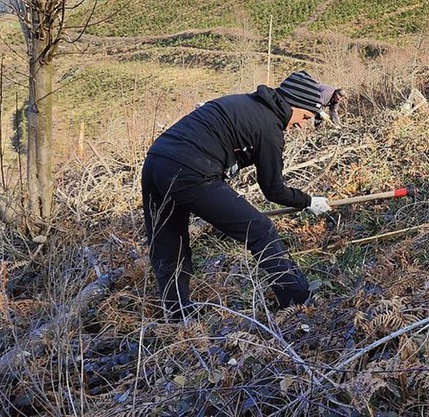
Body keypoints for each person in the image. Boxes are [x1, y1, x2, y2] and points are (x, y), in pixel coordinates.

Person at [141, 71, 332, 320]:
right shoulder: (269, 127)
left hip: (156, 162)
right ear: (292, 103)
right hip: (191, 170)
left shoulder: (246, 103)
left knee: (168, 243)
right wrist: (308, 201)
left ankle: (176, 314)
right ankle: (298, 302)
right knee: (260, 229)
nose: (302, 124)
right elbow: (273, 189)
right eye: (304, 116)